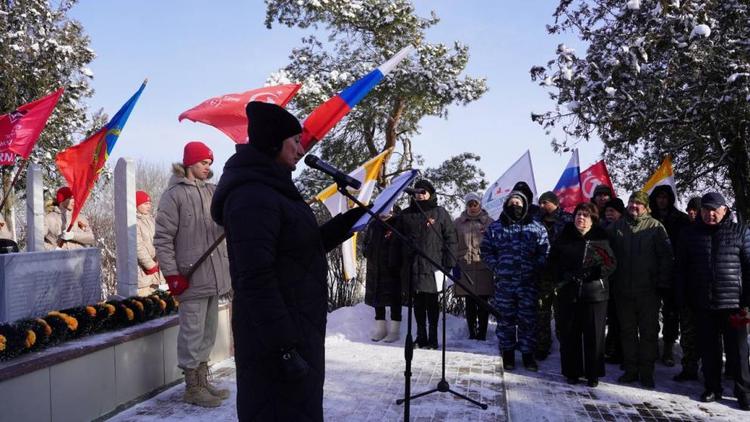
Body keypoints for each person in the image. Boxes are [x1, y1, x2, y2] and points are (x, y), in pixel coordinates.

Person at [210, 101, 368, 421]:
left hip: (296, 329)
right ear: (273, 143)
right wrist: (284, 347)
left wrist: (352, 219)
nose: (300, 148)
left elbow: (302, 247)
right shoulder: (252, 197)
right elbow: (254, 279)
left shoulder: (276, 189)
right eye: (294, 141)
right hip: (275, 341)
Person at [154, 141, 232, 408]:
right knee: (191, 333)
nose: (207, 168)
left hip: (215, 275)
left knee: (208, 332)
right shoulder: (173, 195)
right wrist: (172, 274)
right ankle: (192, 387)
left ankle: (202, 380)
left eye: (210, 164)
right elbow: (163, 239)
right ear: (189, 163)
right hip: (191, 276)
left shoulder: (213, 192)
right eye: (203, 163)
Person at [675, 192, 750, 410]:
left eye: (715, 209)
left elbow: (748, 267)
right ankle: (712, 387)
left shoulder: (740, 232)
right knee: (709, 350)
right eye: (706, 210)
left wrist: (746, 300)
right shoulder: (689, 234)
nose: (710, 214)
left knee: (738, 351)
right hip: (703, 304)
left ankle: (743, 392)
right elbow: (680, 269)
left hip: (734, 305)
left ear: (724, 210)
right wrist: (681, 296)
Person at [607, 191, 673, 388]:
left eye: (638, 203)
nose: (633, 206)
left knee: (648, 333)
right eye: (631, 202)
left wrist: (662, 284)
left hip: (648, 293)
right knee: (627, 332)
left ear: (646, 207)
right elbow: (605, 255)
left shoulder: (656, 227)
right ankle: (630, 370)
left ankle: (646, 372)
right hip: (623, 291)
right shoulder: (617, 227)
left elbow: (666, 258)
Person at [481, 191, 549, 371]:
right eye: (511, 202)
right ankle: (508, 354)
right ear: (506, 205)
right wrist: (496, 267)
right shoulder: (496, 228)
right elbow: (486, 251)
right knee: (505, 320)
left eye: (518, 202)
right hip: (504, 284)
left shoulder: (536, 227)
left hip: (528, 283)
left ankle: (528, 356)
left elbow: (545, 251)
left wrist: (536, 266)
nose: (515, 205)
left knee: (528, 320)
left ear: (525, 205)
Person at [551, 203, 616, 387]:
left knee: (594, 335)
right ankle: (572, 372)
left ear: (593, 219)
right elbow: (553, 261)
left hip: (595, 294)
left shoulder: (601, 238)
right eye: (579, 214)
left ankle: (593, 374)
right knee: (570, 334)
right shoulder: (565, 236)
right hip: (569, 293)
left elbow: (610, 264)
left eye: (586, 215)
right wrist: (562, 275)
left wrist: (593, 273)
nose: (581, 218)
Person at [396, 179, 457, 349]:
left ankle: (433, 338)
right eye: (417, 192)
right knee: (418, 303)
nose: (420, 195)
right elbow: (397, 239)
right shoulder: (406, 214)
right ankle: (420, 336)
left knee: (432, 303)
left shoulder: (439, 213)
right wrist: (398, 260)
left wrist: (449, 262)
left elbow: (450, 237)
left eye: (424, 192)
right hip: (413, 266)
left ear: (431, 194)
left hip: (433, 265)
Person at [649, 185, 691, 368]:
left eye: (665, 197)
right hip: (651, 272)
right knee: (650, 313)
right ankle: (651, 348)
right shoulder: (648, 218)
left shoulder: (681, 219)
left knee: (671, 314)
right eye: (659, 197)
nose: (662, 200)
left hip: (673, 274)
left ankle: (667, 349)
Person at [535, 191, 572, 359]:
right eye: (540, 203)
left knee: (561, 311)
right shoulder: (536, 220)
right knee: (542, 310)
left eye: (545, 203)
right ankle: (542, 345)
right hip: (542, 272)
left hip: (561, 274)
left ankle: (565, 344)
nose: (542, 206)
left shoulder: (567, 219)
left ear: (555, 203)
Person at [454, 192, 494, 341]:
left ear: (480, 204)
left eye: (475, 204)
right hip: (465, 265)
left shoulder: (490, 222)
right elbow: (452, 242)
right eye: (469, 204)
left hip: (484, 266)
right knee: (469, 301)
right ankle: (472, 332)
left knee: (483, 302)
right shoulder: (458, 222)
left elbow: (495, 243)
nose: (472, 207)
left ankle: (482, 333)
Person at [364, 206, 403, 343]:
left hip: (392, 268)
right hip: (375, 267)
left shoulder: (397, 223)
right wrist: (367, 250)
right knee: (377, 297)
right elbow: (366, 243)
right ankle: (381, 328)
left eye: (387, 211)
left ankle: (394, 330)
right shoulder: (374, 224)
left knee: (394, 298)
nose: (384, 214)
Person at [602, 197, 625, 364]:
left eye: (613, 211)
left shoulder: (624, 229)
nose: (609, 214)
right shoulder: (601, 228)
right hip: (605, 281)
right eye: (607, 211)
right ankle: (609, 348)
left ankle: (619, 351)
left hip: (622, 280)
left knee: (620, 319)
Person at [135, 190, 163, 296]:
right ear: (137, 204)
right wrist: (150, 266)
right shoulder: (134, 221)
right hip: (142, 271)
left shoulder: (152, 220)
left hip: (156, 270)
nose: (149, 206)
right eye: (145, 203)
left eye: (150, 203)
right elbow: (138, 246)